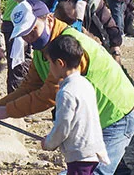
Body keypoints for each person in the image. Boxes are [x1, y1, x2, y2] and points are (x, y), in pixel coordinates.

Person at [0, 0, 134, 175]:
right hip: (95, 122)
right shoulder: (44, 49)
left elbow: (48, 95)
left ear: (49, 19)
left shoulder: (69, 46)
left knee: (94, 172)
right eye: (24, 34)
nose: (29, 38)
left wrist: (6, 111)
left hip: (117, 116)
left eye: (32, 31)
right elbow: (31, 86)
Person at [42, 35, 109, 175]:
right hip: (93, 149)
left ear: (60, 63)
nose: (49, 67)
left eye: (49, 63)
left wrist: (48, 143)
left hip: (80, 155)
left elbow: (63, 127)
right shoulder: (85, 83)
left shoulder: (66, 93)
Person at [2, 0, 56, 93]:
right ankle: (16, 97)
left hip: (24, 23)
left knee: (24, 60)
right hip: (16, 23)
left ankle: (20, 96)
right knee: (18, 62)